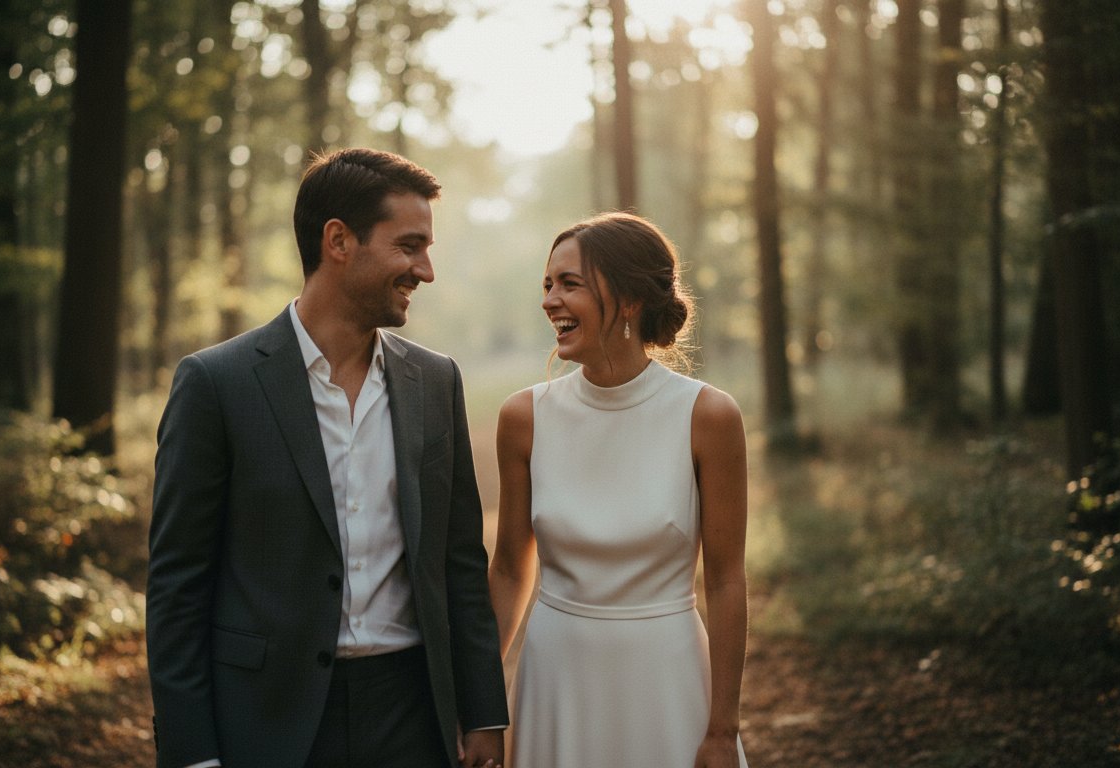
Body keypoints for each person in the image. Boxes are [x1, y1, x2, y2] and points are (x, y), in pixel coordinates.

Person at [147, 148, 508, 768]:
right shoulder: (216, 383)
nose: (425, 270)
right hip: (267, 717)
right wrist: (192, 754)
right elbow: (178, 586)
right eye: (410, 245)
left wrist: (482, 713)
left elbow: (457, 563)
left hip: (412, 715)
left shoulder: (435, 380)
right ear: (339, 241)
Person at [489, 212, 751, 768]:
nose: (549, 300)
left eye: (570, 283)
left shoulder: (707, 416)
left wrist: (723, 731)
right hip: (556, 683)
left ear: (629, 301)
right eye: (547, 284)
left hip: (667, 680)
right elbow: (511, 567)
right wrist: (481, 710)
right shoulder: (524, 418)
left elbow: (726, 580)